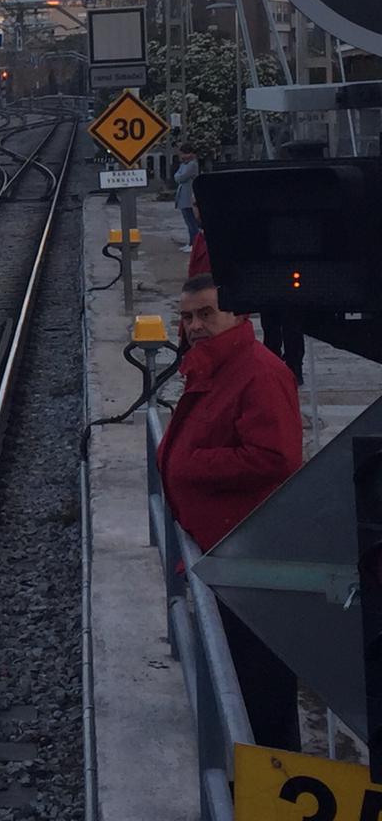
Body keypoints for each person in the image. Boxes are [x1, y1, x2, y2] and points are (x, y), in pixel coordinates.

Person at [158, 273, 303, 750]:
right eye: (186, 316)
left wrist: (188, 464)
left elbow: (275, 456)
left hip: (250, 563)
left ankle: (267, 785)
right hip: (222, 554)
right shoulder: (214, 365)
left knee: (259, 690)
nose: (194, 325)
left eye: (205, 314)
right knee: (234, 681)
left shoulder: (258, 372)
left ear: (238, 315)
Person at [174, 143, 201, 253]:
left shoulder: (192, 164)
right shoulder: (184, 164)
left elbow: (181, 177)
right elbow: (177, 176)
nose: (182, 156)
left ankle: (195, 243)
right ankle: (191, 242)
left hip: (190, 197)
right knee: (188, 221)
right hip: (182, 196)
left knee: (192, 222)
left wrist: (179, 176)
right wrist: (179, 176)